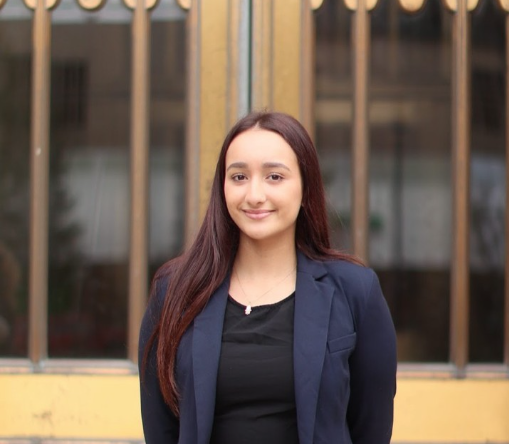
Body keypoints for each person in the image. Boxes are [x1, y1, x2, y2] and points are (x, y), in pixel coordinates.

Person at [139, 111, 397, 444]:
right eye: (239, 177)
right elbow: (161, 429)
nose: (254, 195)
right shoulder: (175, 290)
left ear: (305, 189)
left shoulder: (355, 291)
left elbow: (371, 429)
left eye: (274, 177)